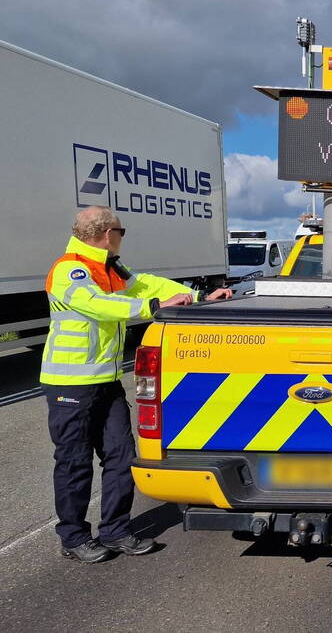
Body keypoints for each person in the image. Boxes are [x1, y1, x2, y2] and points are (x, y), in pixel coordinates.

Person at [40, 206, 232, 563]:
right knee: (74, 463)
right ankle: (73, 537)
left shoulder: (110, 266)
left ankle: (115, 531)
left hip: (106, 381)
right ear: (106, 234)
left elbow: (146, 284)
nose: (121, 238)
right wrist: (154, 306)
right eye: (121, 231)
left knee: (121, 456)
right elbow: (98, 305)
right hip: (70, 384)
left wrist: (198, 296)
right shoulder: (70, 269)